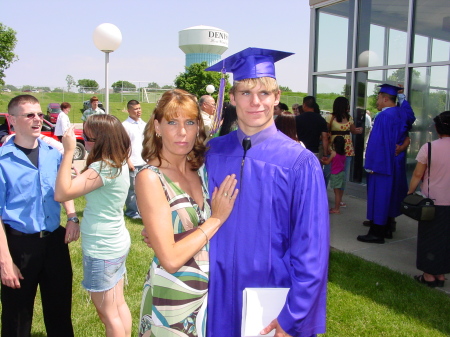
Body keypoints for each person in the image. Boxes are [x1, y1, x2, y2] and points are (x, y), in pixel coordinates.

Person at [205, 47, 329, 336]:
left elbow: (312, 249)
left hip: (272, 294)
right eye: (245, 93)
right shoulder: (213, 152)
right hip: (216, 290)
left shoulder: (299, 163)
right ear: (232, 98)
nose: (255, 102)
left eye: (264, 93)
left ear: (277, 97)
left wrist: (293, 316)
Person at [136, 89, 238, 337]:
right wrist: (216, 219)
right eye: (172, 122)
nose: (182, 132)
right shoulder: (150, 178)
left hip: (210, 295)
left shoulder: (202, 170)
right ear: (157, 127)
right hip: (175, 299)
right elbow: (170, 259)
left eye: (189, 122)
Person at [0, 94, 80, 337]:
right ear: (12, 120)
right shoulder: (3, 161)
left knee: (59, 311)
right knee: (17, 315)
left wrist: (72, 216)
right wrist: (5, 261)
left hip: (54, 242)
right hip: (19, 245)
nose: (38, 120)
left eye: (40, 114)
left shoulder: (52, 153)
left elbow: (62, 188)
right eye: (30, 115)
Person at [54, 114, 132, 337]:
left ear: (101, 141)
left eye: (86, 138)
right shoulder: (117, 161)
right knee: (118, 305)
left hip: (102, 248)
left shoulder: (102, 166)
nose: (83, 142)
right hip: (115, 241)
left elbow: (61, 193)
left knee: (108, 314)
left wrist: (69, 151)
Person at [357, 84, 415, 244]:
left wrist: (371, 164)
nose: (376, 101)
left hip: (382, 163)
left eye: (378, 98)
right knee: (390, 195)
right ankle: (389, 227)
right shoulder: (400, 113)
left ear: (385, 98)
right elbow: (411, 117)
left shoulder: (383, 117)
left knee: (380, 196)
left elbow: (377, 143)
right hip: (395, 161)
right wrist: (402, 96)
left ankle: (377, 233)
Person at [407, 111, 450, 288]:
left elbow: (418, 174)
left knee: (429, 238)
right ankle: (440, 273)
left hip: (431, 202)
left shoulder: (429, 148)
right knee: (445, 239)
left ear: (437, 129)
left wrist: (409, 194)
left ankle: (428, 275)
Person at [323, 97, 363, 206]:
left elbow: (353, 130)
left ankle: (339, 198)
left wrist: (358, 130)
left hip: (347, 149)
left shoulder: (349, 118)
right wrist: (326, 150)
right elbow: (325, 134)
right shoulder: (330, 117)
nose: (348, 107)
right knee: (327, 172)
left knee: (343, 174)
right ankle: (322, 195)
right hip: (334, 148)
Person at [122, 100, 146, 219]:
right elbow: (123, 146)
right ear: (129, 110)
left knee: (143, 189)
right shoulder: (125, 125)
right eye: (136, 109)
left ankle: (142, 210)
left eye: (139, 108)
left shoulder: (144, 124)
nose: (138, 111)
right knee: (132, 189)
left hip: (144, 162)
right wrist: (128, 161)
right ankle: (131, 212)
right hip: (133, 162)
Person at [321, 136, 346, 214]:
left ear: (334, 144)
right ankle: (336, 207)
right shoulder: (344, 153)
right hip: (342, 173)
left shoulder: (333, 153)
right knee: (339, 192)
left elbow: (327, 162)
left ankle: (336, 209)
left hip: (335, 174)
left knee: (336, 193)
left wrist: (321, 161)